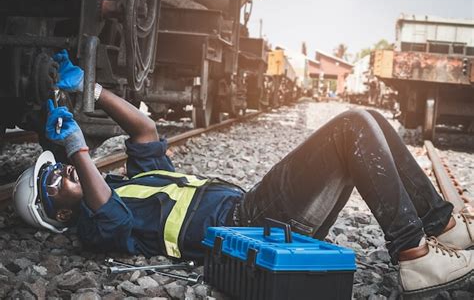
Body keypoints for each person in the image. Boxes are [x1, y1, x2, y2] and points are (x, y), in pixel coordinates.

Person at [12, 51, 474, 297]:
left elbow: (146, 130)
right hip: (248, 229)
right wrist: (76, 148)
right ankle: (414, 254)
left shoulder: (131, 184)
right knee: (351, 125)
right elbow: (107, 210)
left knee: (367, 115)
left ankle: (443, 229)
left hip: (254, 211)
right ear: (59, 216)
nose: (60, 174)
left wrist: (92, 90)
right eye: (51, 185)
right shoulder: (95, 226)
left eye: (53, 169)